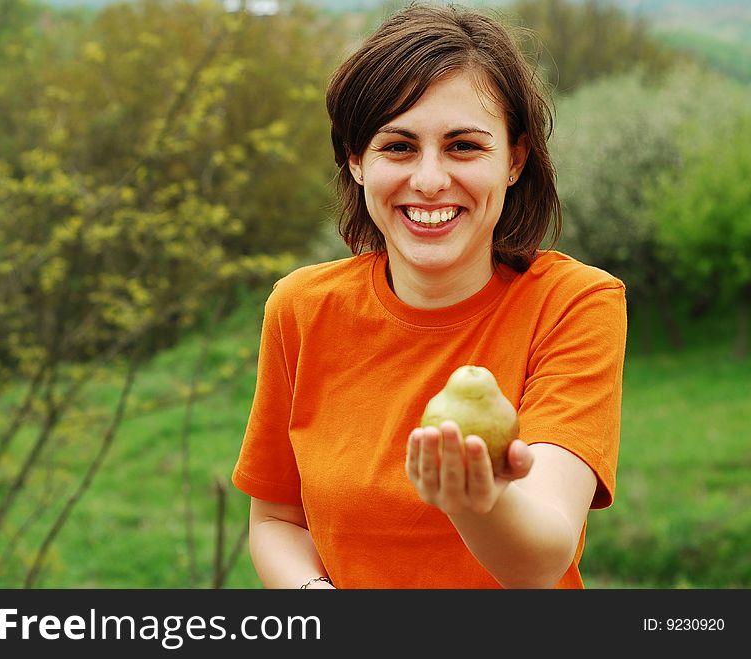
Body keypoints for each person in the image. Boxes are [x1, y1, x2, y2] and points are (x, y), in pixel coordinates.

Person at [231, 2, 627, 589]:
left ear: (514, 160)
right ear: (356, 159)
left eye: (464, 146)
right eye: (399, 146)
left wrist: (473, 500)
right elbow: (275, 520)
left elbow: (542, 559)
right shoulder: (300, 308)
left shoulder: (573, 303)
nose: (431, 179)